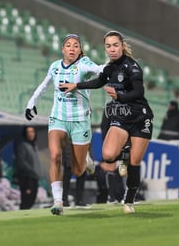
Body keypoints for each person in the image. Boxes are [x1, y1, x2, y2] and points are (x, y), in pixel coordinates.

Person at [60, 30, 154, 213]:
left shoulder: (132, 66)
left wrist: (118, 95)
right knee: (108, 155)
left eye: (115, 45)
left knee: (134, 163)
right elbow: (98, 82)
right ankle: (123, 154)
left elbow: (139, 92)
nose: (112, 49)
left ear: (122, 46)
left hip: (141, 118)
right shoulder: (110, 67)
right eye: (108, 46)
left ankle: (129, 201)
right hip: (121, 117)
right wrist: (76, 85)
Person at [25, 34, 102, 216]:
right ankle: (58, 201)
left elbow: (100, 69)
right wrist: (31, 102)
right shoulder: (55, 66)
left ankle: (86, 161)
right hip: (58, 118)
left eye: (76, 45)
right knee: (56, 156)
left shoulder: (83, 64)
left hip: (80, 120)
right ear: (63, 49)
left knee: (77, 169)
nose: (72, 48)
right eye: (68, 45)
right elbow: (44, 85)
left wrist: (115, 66)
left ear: (79, 49)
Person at [14, 126, 41, 210]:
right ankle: (22, 215)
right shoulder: (22, 145)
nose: (31, 134)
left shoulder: (34, 146)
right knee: (26, 199)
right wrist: (31, 171)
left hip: (34, 176)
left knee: (32, 198)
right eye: (28, 132)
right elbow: (21, 162)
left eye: (32, 132)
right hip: (26, 177)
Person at [61, 135, 91, 208]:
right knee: (66, 180)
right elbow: (66, 145)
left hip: (81, 157)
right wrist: (68, 159)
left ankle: (79, 201)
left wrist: (89, 158)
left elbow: (88, 145)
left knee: (81, 179)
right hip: (71, 158)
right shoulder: (69, 130)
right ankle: (64, 200)